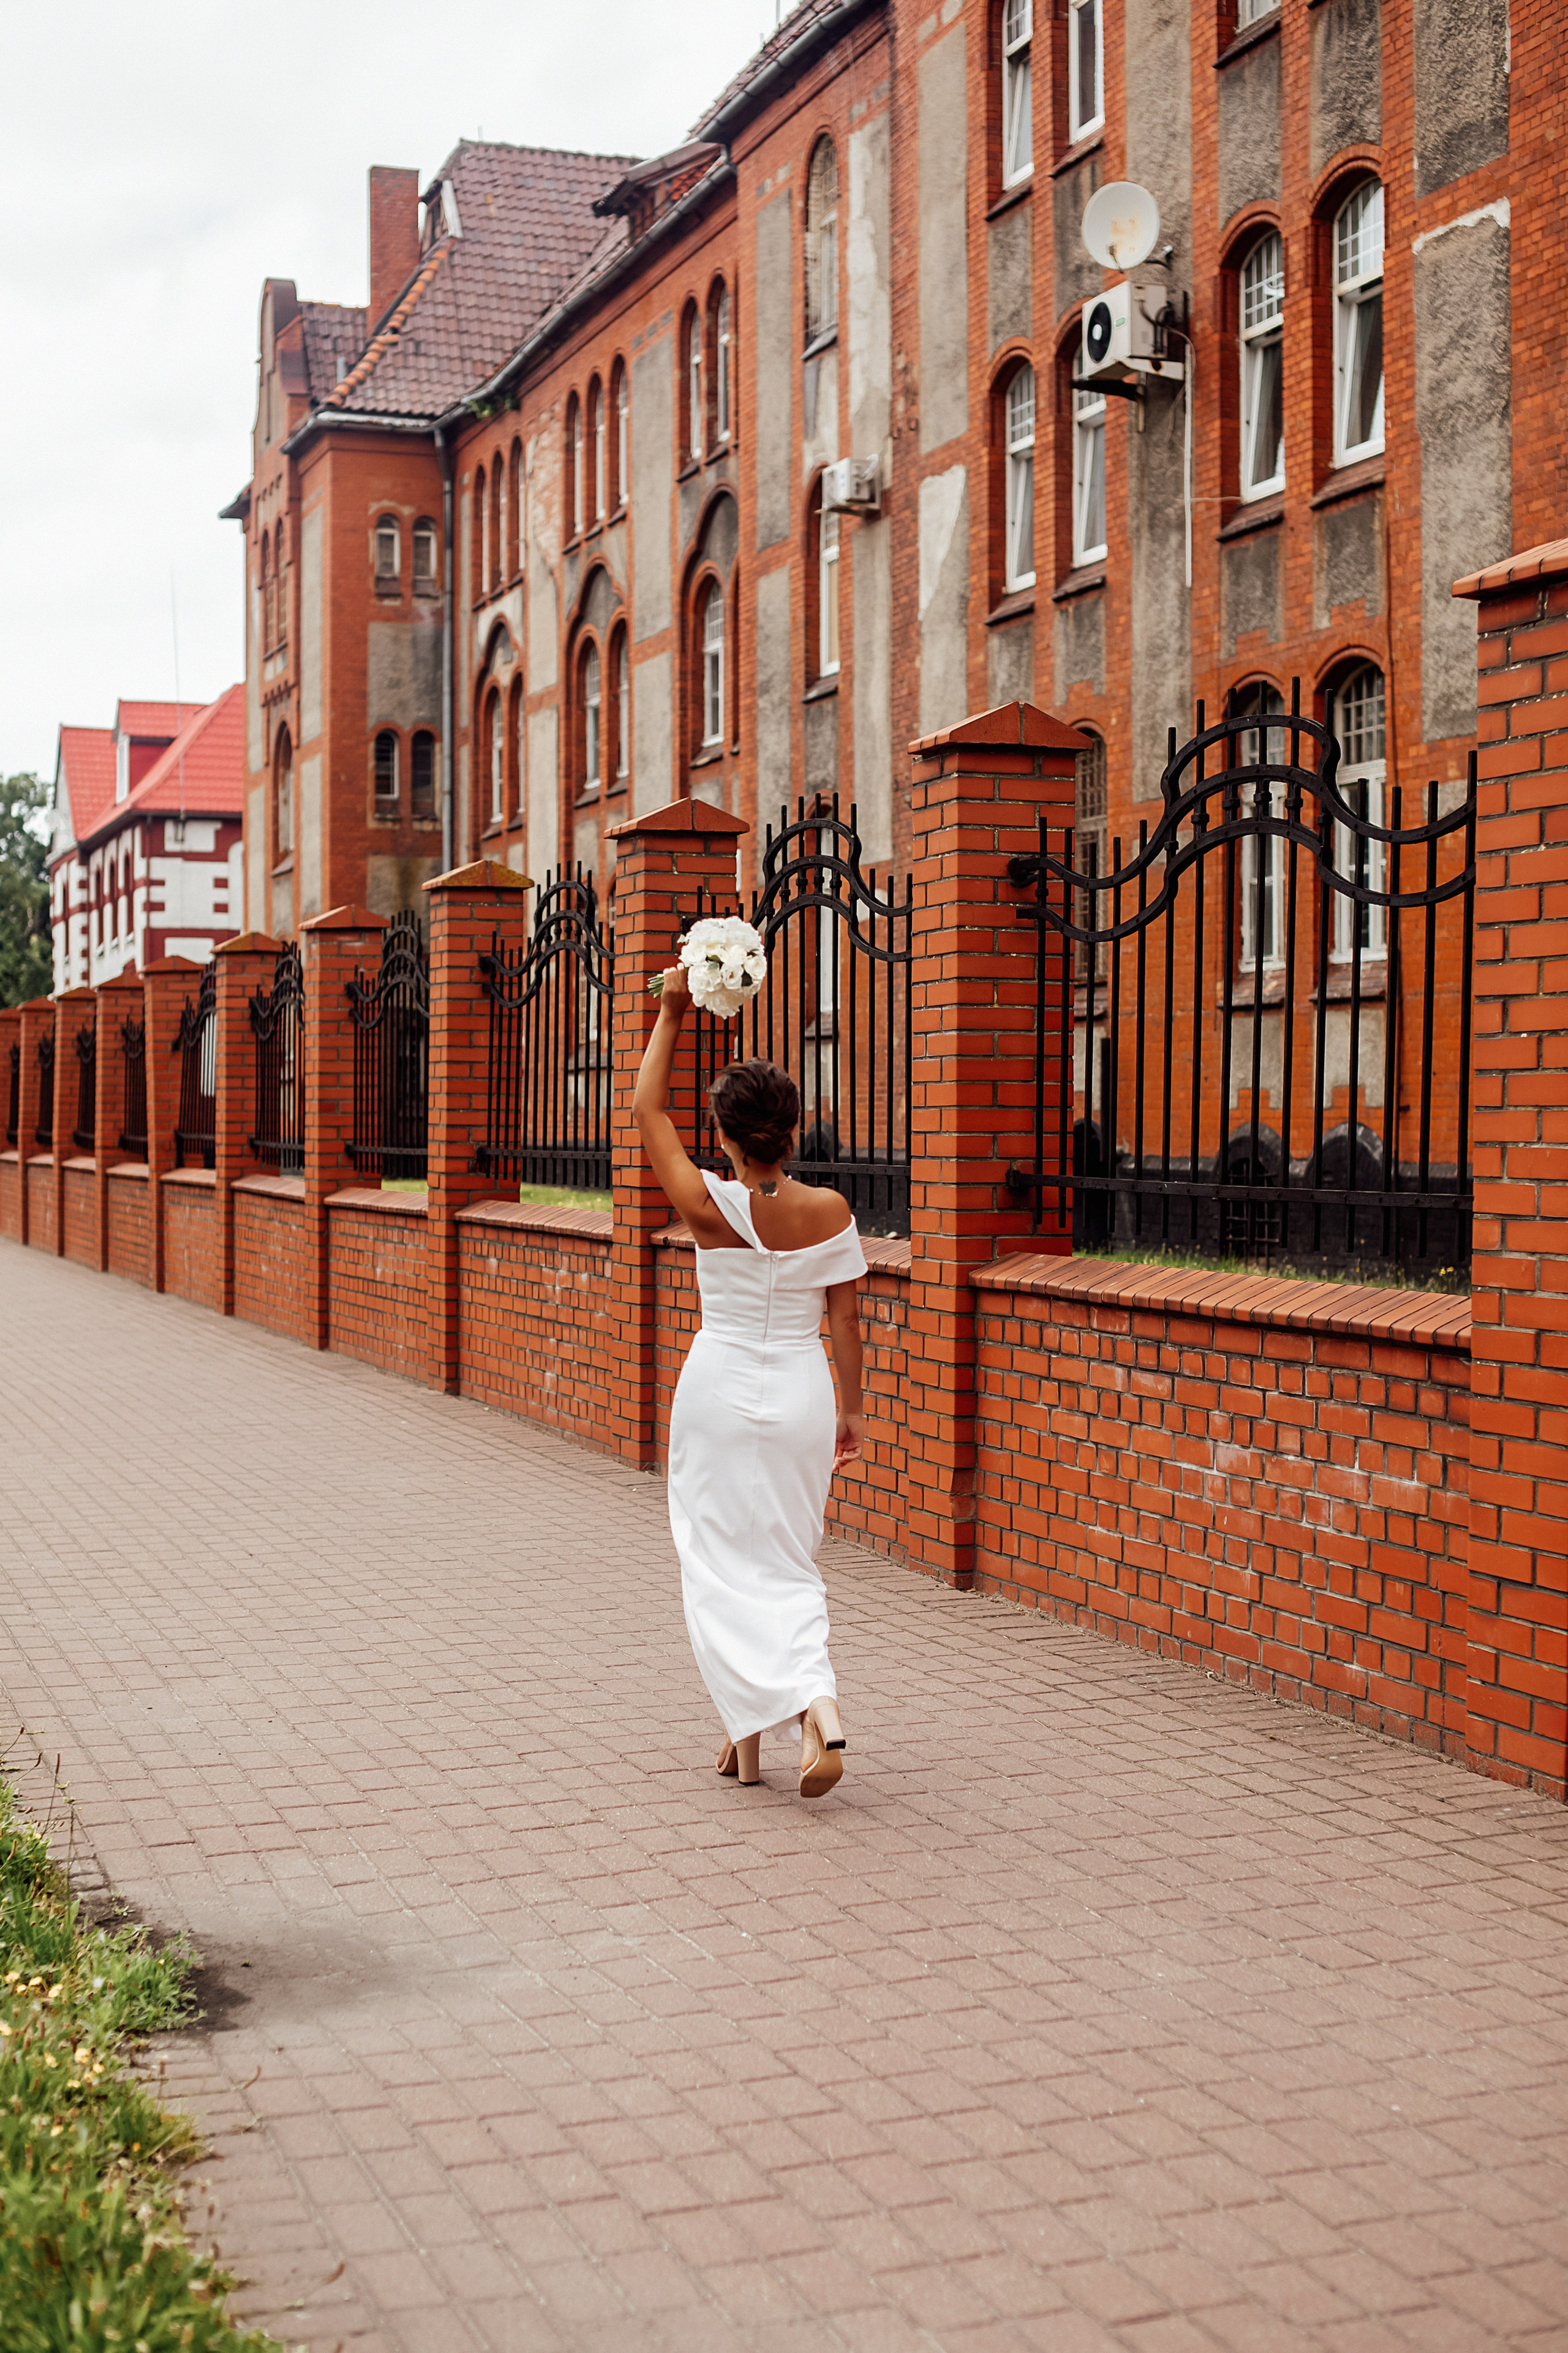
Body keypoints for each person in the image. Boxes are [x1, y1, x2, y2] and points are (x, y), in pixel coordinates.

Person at [633, 963, 867, 1797]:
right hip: (804, 1392)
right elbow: (844, 1319)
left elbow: (646, 1109)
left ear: (727, 1141)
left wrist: (671, 1010)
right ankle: (803, 1709)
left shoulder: (709, 1206)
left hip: (718, 1392)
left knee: (718, 1559)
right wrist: (852, 1413)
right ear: (795, 1134)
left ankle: (777, 1715)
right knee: (787, 1560)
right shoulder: (833, 1213)